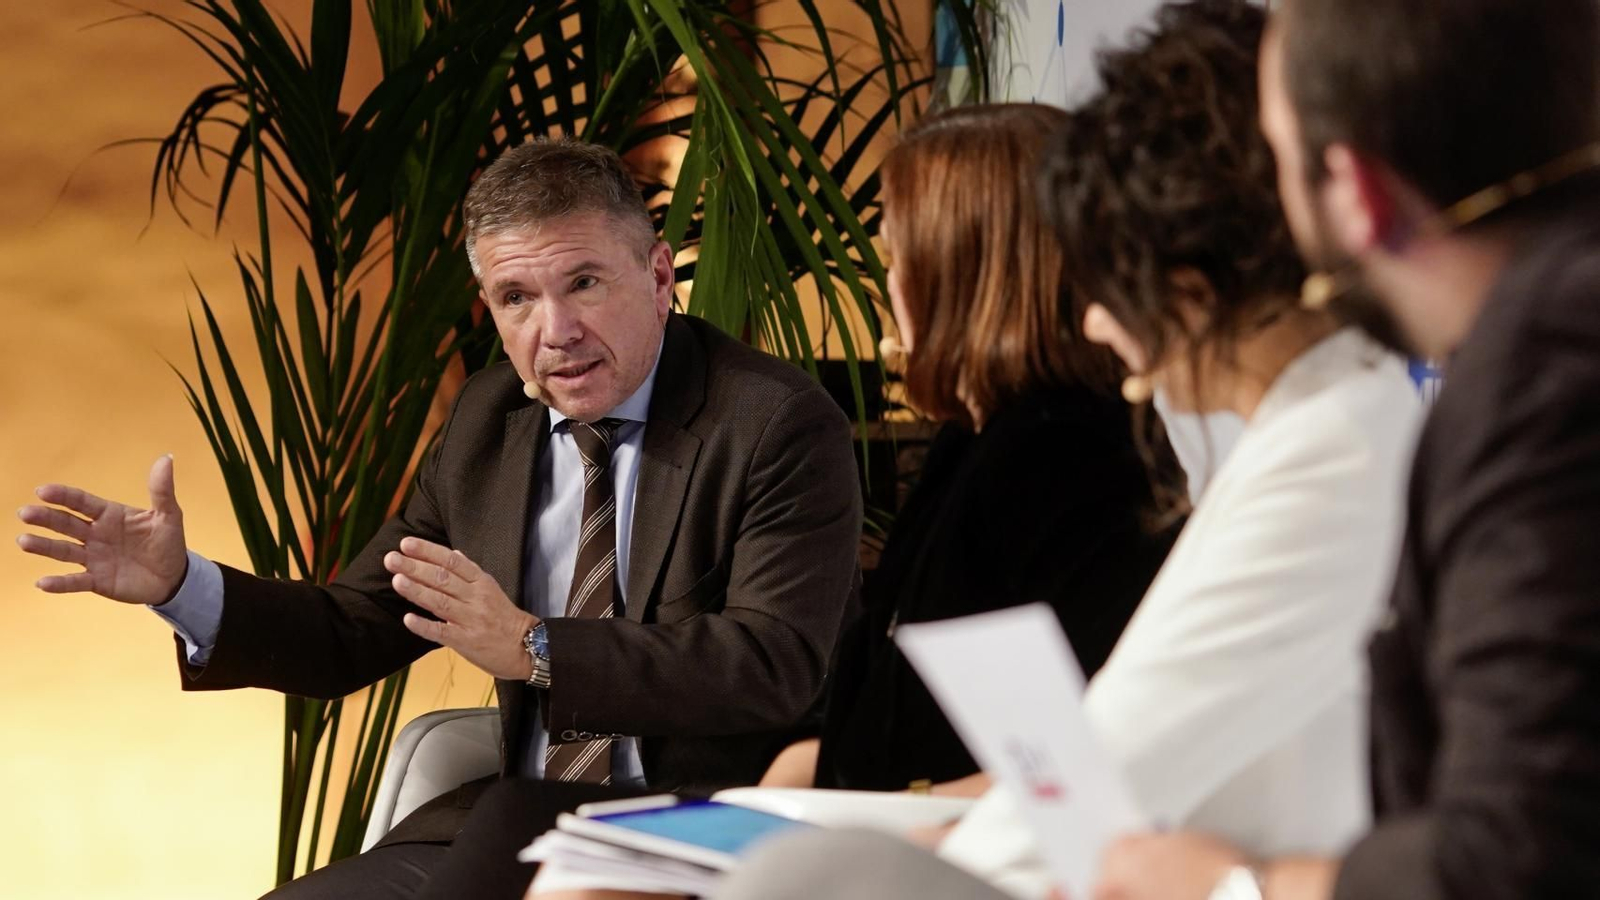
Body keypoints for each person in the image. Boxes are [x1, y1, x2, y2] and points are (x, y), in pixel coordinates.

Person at [14, 137, 864, 899]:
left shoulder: (773, 423)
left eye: (585, 283)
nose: (555, 331)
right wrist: (180, 586)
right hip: (518, 827)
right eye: (516, 298)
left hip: (706, 828)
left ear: (657, 277)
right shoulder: (492, 420)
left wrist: (535, 648)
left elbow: (773, 663)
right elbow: (358, 626)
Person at [707, 3, 1421, 898]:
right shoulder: (1320, 433)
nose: (1092, 316)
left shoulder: (1324, 455)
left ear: (1191, 280)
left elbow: (1109, 770)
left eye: (1111, 277)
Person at [526, 101, 1180, 899]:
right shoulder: (978, 439)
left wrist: (823, 813)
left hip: (954, 845)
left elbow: (1071, 769)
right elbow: (888, 687)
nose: (888, 280)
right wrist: (799, 783)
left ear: (963, 269)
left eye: (901, 254)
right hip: (861, 816)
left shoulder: (1072, 462)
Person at [1093, 0, 1600, 898]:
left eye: (1281, 162)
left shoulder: (1542, 369)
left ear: (1355, 192)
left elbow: (1515, 860)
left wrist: (1239, 886)